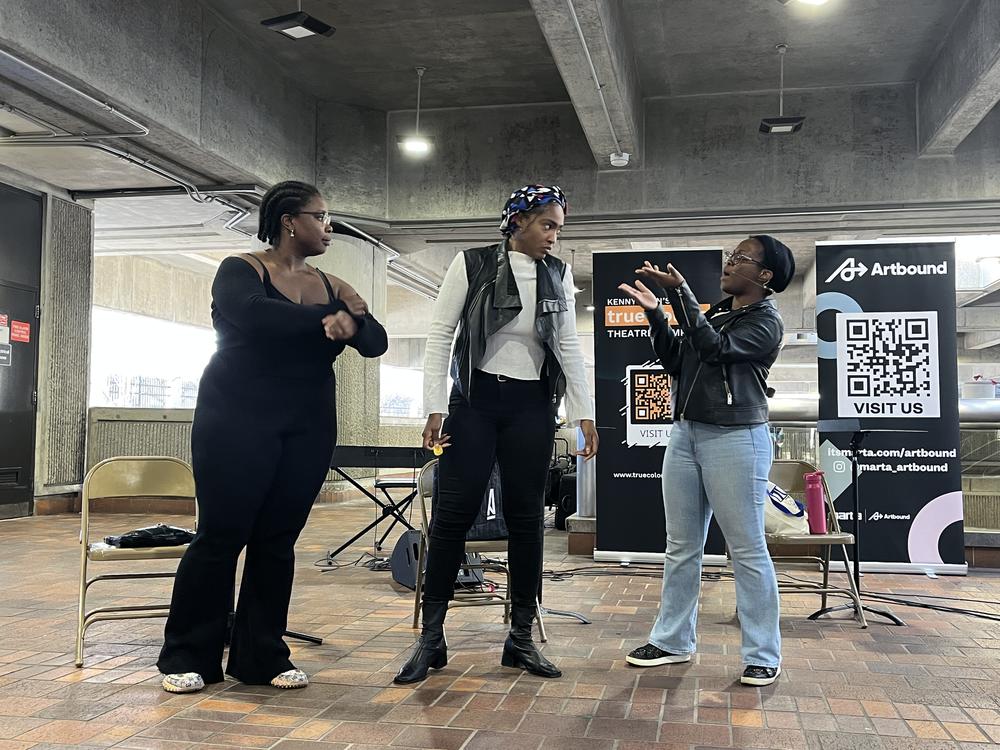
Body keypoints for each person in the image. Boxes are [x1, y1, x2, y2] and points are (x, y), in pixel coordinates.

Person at [157, 180, 388, 693]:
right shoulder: (241, 269)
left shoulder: (330, 282)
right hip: (235, 417)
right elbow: (257, 317)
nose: (330, 228)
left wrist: (352, 317)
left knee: (277, 540)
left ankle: (262, 655)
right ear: (289, 219)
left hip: (307, 422)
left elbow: (374, 342)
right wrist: (334, 317)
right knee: (222, 536)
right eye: (321, 217)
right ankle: (186, 655)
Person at [394, 184, 598, 684]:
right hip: (474, 402)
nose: (554, 237)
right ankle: (431, 638)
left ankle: (521, 638)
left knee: (528, 519)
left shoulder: (558, 273)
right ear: (518, 220)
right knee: (451, 517)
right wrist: (434, 408)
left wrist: (583, 412)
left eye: (559, 229)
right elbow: (442, 335)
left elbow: (568, 345)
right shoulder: (472, 263)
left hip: (532, 405)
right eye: (548, 225)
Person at [617, 235, 794, 687]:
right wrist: (657, 314)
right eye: (731, 255)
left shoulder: (766, 322)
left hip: (735, 439)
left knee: (747, 549)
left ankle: (763, 653)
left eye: (741, 258)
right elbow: (677, 359)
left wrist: (680, 294)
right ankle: (673, 641)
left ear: (765, 276)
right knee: (681, 546)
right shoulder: (717, 313)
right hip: (686, 434)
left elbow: (715, 350)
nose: (730, 263)